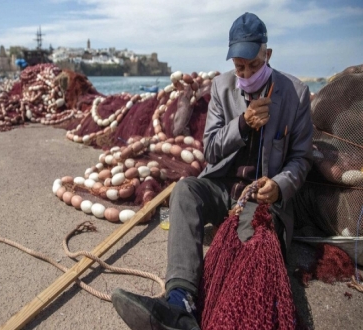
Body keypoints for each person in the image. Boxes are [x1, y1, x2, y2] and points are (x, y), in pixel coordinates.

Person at [111, 12, 313, 330]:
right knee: (184, 190)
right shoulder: (222, 87)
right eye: (239, 67)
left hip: (261, 201)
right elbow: (212, 149)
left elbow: (301, 160)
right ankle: (180, 298)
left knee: (249, 252)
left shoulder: (296, 94)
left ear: (267, 54)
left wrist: (278, 185)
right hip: (222, 189)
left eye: (254, 66)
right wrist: (243, 124)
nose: (246, 73)